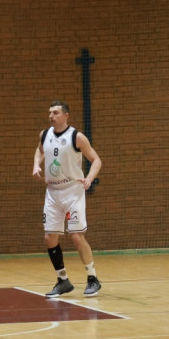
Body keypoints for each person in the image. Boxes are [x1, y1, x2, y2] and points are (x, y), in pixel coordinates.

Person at [32, 100, 103, 297]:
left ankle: (92, 278)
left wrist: (89, 178)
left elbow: (96, 160)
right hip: (52, 192)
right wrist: (36, 165)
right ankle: (62, 280)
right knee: (49, 237)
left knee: (77, 236)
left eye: (55, 112)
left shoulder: (76, 137)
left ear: (66, 116)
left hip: (73, 191)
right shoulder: (44, 135)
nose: (51, 116)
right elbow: (39, 151)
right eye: (49, 112)